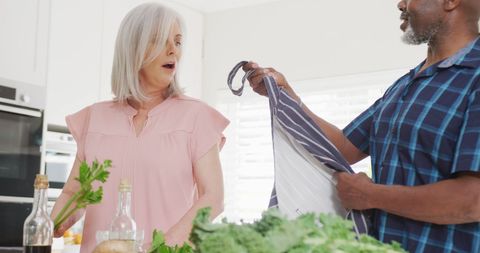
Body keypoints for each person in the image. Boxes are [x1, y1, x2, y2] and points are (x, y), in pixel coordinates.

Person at [243, 0, 480, 252]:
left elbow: (473, 200)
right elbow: (343, 147)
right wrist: (284, 94)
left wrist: (370, 195)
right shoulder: (406, 84)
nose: (400, 4)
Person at [50, 3, 229, 253]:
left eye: (177, 42)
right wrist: (52, 224)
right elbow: (74, 194)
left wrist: (161, 248)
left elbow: (213, 198)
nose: (173, 51)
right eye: (159, 40)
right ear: (133, 48)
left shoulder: (196, 116)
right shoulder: (95, 118)